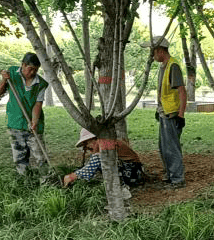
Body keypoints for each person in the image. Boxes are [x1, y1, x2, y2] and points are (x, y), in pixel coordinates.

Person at [140, 36, 187, 189]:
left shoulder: (173, 66)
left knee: (171, 148)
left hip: (172, 114)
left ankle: (177, 179)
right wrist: (158, 109)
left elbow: (182, 92)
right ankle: (170, 175)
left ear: (160, 50)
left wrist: (181, 115)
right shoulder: (164, 66)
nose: (152, 55)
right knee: (163, 146)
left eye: (152, 51)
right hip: (164, 112)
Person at [0, 52, 49, 175]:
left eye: (36, 70)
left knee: (40, 156)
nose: (33, 72)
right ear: (23, 65)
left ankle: (46, 180)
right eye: (30, 69)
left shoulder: (41, 83)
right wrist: (4, 79)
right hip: (15, 121)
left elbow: (38, 104)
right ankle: (24, 180)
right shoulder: (11, 73)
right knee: (19, 157)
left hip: (34, 123)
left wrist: (34, 122)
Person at [63, 128, 145, 191]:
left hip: (133, 173)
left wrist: (73, 176)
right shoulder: (106, 142)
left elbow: (93, 164)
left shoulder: (106, 144)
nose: (87, 147)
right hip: (132, 172)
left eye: (87, 143)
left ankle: (120, 186)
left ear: (95, 139)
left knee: (97, 158)